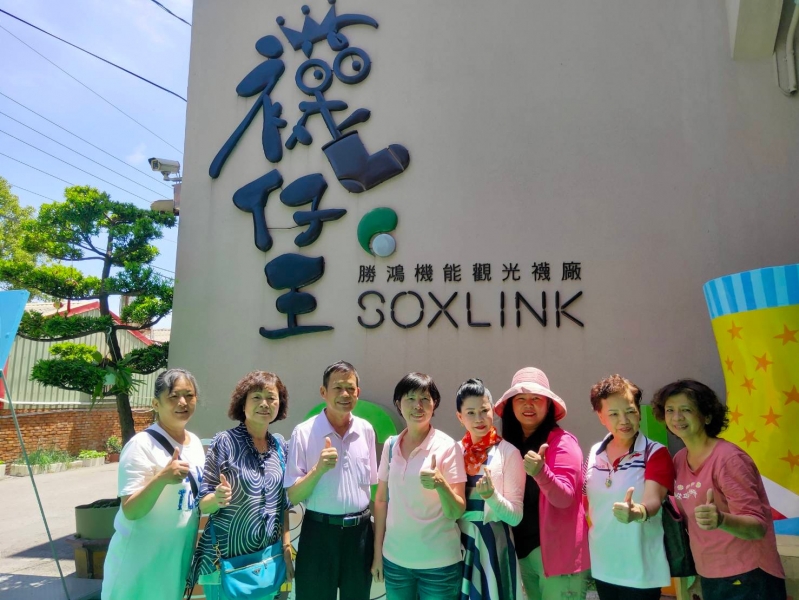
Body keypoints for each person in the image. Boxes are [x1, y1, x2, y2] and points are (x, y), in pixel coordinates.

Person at [652, 379, 787, 600]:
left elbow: (757, 527)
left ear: (707, 416)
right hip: (710, 573)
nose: (677, 417)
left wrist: (721, 519)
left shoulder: (729, 459)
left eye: (686, 409)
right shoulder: (679, 460)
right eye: (670, 410)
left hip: (749, 575)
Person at [187, 371, 293, 600]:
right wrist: (217, 498)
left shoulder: (280, 447)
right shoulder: (224, 442)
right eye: (256, 397)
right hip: (225, 564)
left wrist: (286, 547)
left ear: (280, 405)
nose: (264, 403)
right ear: (242, 404)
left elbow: (282, 504)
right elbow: (203, 504)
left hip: (267, 562)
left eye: (271, 398)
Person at [102, 368, 205, 600]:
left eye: (189, 395)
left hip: (174, 561)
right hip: (137, 566)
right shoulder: (141, 445)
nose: (183, 402)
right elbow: (131, 510)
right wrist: (162, 479)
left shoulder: (196, 443)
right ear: (156, 404)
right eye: (173, 396)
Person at [284, 361, 378, 600]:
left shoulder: (366, 430)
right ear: (323, 392)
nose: (345, 394)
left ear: (358, 392)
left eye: (350, 388)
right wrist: (318, 470)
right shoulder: (304, 432)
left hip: (360, 535)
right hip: (319, 535)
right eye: (337, 388)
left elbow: (371, 488)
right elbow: (292, 495)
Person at [495, 367, 590, 600]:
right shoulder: (509, 446)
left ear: (548, 405)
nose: (528, 405)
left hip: (558, 559)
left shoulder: (563, 443)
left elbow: (565, 498)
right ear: (511, 406)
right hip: (524, 554)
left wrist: (540, 472)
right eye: (521, 399)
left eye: (536, 398)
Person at [372, 372, 467, 600]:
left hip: (439, 567)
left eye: (425, 399)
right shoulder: (391, 446)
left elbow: (457, 511)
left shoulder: (448, 447)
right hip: (395, 562)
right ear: (398, 404)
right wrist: (378, 554)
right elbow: (381, 500)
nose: (418, 406)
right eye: (411, 398)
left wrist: (440, 484)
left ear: (434, 404)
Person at [584, 374, 675, 600]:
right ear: (600, 416)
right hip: (603, 565)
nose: (624, 420)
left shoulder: (655, 452)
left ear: (639, 412)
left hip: (641, 570)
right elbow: (586, 502)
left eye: (630, 411)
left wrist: (638, 511)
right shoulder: (595, 452)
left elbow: (654, 500)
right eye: (614, 414)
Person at [455, 378, 525, 600]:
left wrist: (491, 496)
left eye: (484, 410)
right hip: (458, 542)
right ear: (460, 417)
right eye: (470, 412)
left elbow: (515, 517)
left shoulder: (509, 453)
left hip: (494, 543)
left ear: (492, 411)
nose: (479, 418)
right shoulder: (454, 451)